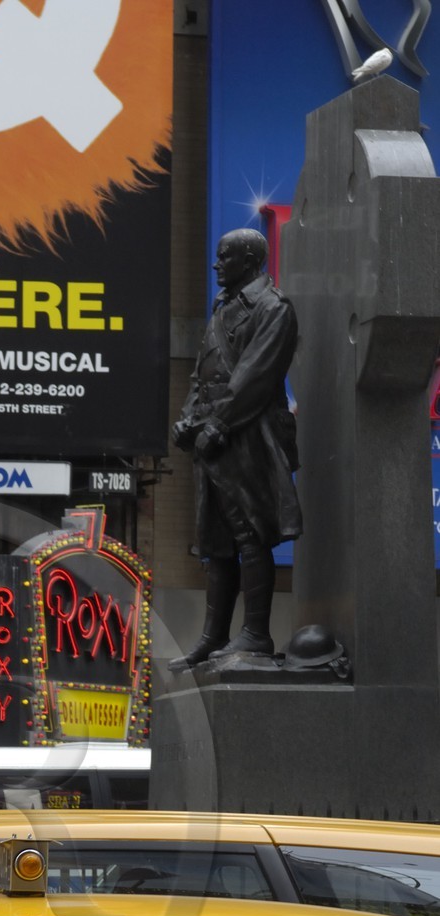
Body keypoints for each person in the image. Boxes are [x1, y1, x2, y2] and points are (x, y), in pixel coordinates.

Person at [170, 227, 303, 668]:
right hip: (214, 439)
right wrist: (189, 418)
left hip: (249, 435)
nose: (215, 265)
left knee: (250, 533)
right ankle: (214, 636)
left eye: (224, 257)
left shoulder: (273, 307)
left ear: (248, 260)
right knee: (218, 539)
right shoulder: (222, 308)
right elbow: (202, 373)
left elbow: (255, 377)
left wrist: (217, 424)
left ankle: (256, 635)